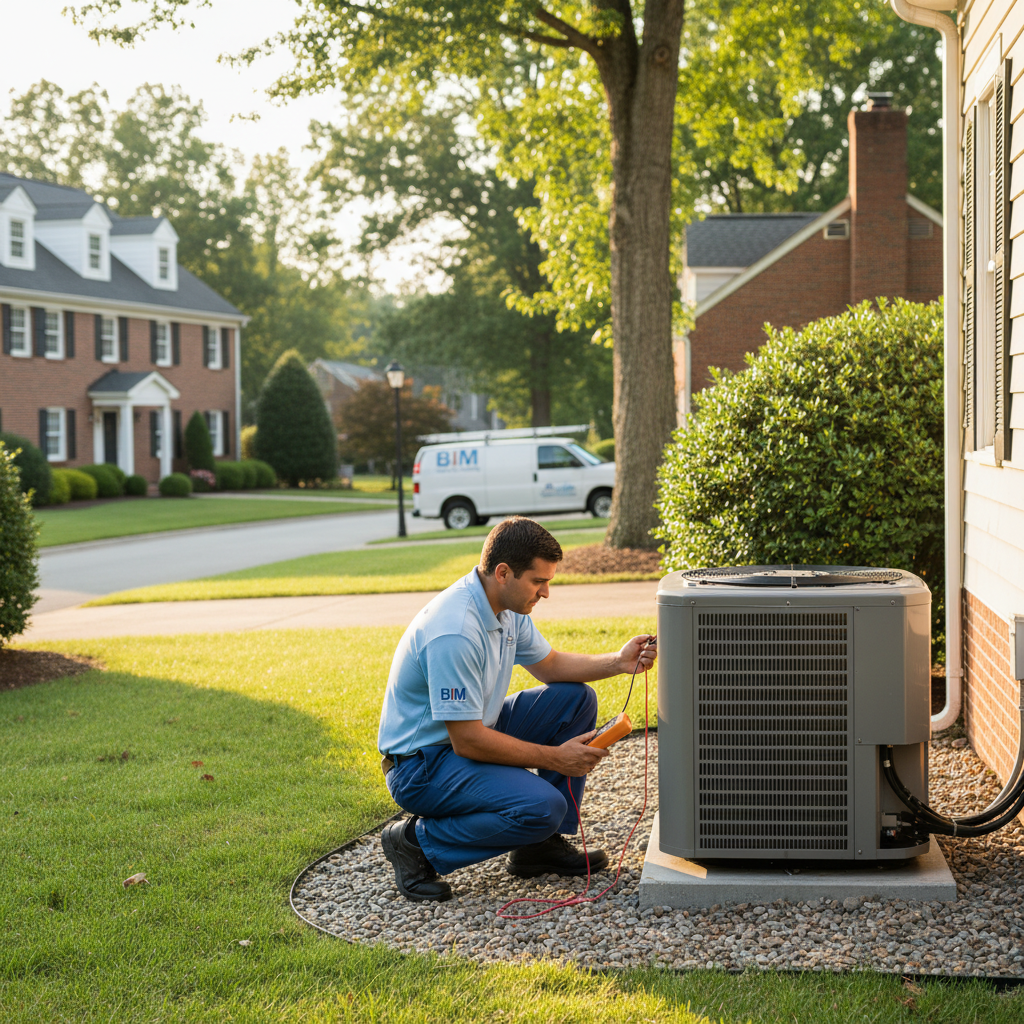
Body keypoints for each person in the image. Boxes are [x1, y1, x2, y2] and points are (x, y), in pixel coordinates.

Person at [377, 515, 657, 902]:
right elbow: (468, 742)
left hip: (467, 734)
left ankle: (538, 847)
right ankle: (415, 843)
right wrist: (557, 759)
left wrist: (620, 661)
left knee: (574, 700)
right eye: (538, 581)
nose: (545, 593)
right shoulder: (455, 630)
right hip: (422, 766)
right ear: (504, 573)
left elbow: (551, 666)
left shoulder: (504, 607)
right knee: (543, 807)